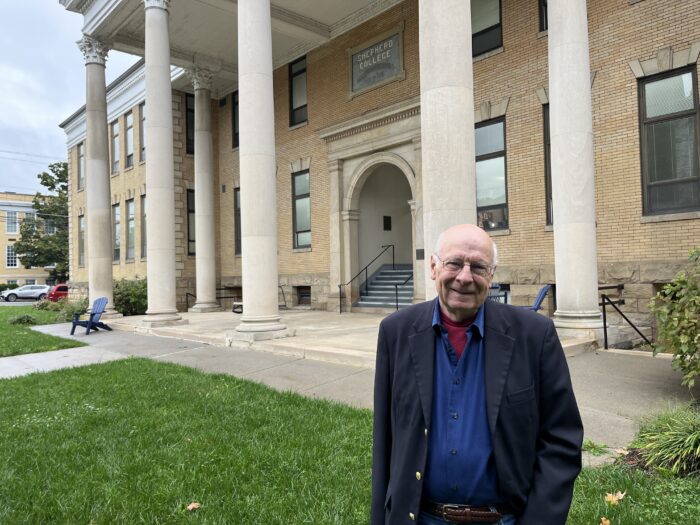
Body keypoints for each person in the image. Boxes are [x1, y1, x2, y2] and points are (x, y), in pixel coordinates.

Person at [371, 224, 583, 524]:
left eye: (479, 267)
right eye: (454, 263)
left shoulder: (534, 336)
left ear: (492, 275)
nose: (465, 277)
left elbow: (562, 439)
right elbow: (385, 441)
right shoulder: (395, 332)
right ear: (433, 267)